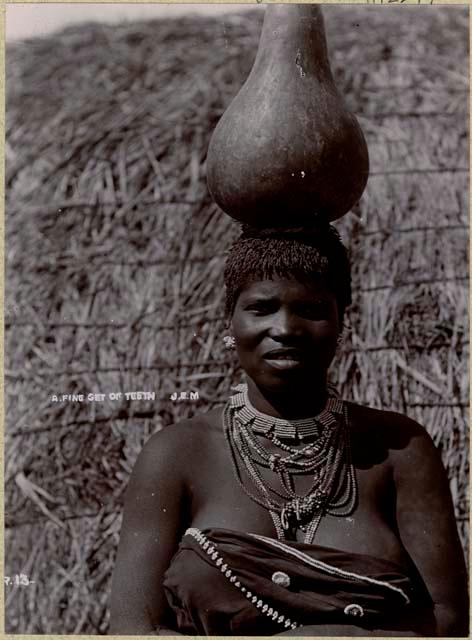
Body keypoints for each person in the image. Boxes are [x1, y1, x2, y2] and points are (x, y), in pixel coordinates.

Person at [109, 224, 468, 636]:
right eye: (262, 308)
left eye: (311, 309)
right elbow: (135, 630)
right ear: (230, 322)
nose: (285, 329)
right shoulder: (175, 455)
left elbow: (448, 622)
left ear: (340, 323)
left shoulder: (399, 449)